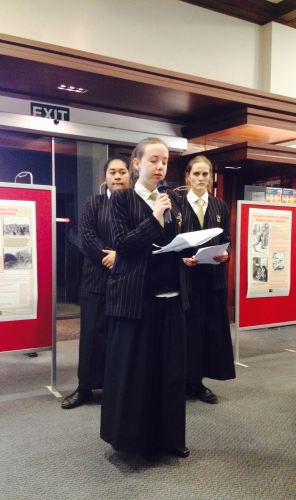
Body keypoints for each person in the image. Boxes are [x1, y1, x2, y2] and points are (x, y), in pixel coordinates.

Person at [100, 138, 190, 462]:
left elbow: (180, 241)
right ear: (137, 164)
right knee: (135, 373)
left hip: (171, 297)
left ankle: (170, 438)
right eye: (153, 160)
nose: (160, 167)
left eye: (164, 161)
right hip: (136, 300)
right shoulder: (121, 199)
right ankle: (132, 441)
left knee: (170, 373)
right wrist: (153, 218)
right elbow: (123, 245)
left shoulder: (173, 201)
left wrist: (195, 252)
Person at [61, 157, 131, 409]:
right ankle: (85, 388)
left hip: (127, 282)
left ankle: (117, 388)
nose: (117, 176)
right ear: (106, 178)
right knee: (92, 336)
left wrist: (120, 257)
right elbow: (87, 236)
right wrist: (110, 257)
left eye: (122, 171)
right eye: (112, 172)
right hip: (95, 280)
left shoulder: (137, 205)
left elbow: (140, 240)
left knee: (121, 338)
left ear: (129, 175)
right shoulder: (94, 203)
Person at [182, 155, 235, 404]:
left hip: (213, 278)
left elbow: (228, 238)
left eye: (206, 174)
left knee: (209, 331)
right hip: (187, 279)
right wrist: (182, 258)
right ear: (188, 177)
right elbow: (171, 241)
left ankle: (199, 382)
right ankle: (184, 381)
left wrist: (226, 254)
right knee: (187, 332)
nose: (201, 179)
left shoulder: (219, 205)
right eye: (196, 174)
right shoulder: (177, 204)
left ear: (211, 177)